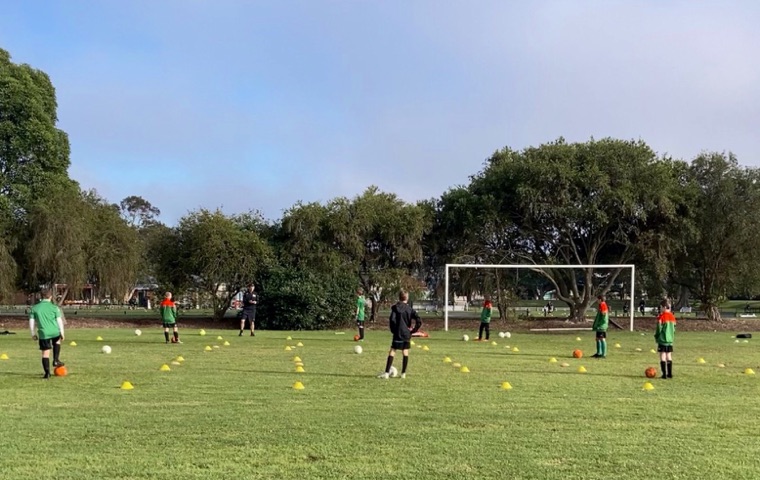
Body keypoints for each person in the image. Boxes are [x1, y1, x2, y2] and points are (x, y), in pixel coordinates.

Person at [378, 290, 422, 379]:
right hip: (406, 334)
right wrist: (413, 330)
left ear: (399, 297)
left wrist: (394, 330)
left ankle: (386, 373)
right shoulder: (410, 309)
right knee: (405, 352)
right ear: (407, 298)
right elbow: (419, 320)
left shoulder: (395, 308)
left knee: (392, 351)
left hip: (397, 333)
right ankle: (403, 374)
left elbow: (392, 320)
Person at [29, 288, 65, 379]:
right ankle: (56, 360)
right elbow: (59, 321)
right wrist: (62, 332)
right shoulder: (54, 307)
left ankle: (47, 373)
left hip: (43, 333)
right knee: (57, 341)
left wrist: (33, 333)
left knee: (45, 353)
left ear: (41, 297)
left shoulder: (35, 308)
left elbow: (31, 322)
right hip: (54, 331)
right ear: (51, 297)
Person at [655, 299, 676, 379]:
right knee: (669, 355)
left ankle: (664, 374)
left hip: (663, 340)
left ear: (664, 307)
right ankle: (670, 374)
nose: (660, 309)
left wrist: (657, 336)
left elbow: (659, 329)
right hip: (670, 340)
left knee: (662, 355)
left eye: (660, 307)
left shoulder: (661, 317)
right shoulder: (673, 317)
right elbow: (674, 329)